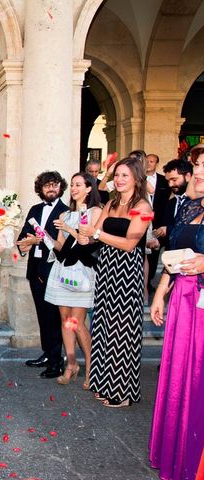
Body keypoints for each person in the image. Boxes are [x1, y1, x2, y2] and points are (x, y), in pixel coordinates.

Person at [148, 144, 204, 480]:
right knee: (179, 377)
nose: (198, 172)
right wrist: (160, 291)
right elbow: (177, 252)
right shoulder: (191, 208)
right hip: (182, 300)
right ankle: (177, 453)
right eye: (198, 166)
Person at [78, 157, 152, 407]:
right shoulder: (110, 203)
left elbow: (130, 243)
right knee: (104, 327)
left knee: (123, 331)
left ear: (136, 179)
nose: (119, 180)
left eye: (124, 176)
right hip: (107, 269)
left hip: (127, 272)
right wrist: (80, 234)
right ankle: (104, 383)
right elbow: (94, 236)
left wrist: (97, 234)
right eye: (117, 175)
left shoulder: (141, 206)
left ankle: (124, 392)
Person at [45, 172, 102, 387]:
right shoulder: (65, 215)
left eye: (79, 184)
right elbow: (61, 247)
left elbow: (86, 242)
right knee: (65, 320)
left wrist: (69, 229)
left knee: (77, 323)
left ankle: (91, 368)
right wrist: (47, 239)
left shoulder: (96, 211)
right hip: (63, 270)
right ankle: (71, 364)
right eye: (73, 185)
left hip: (82, 271)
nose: (74, 188)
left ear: (89, 188)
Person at [16, 171, 69, 378]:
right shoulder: (35, 209)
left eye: (55, 185)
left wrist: (42, 240)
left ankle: (56, 362)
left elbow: (64, 246)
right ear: (40, 189)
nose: (51, 188)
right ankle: (48, 354)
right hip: (35, 268)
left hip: (53, 268)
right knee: (42, 315)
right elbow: (22, 238)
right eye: (47, 185)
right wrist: (27, 243)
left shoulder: (66, 212)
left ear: (60, 188)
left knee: (53, 316)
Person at [145, 154, 170, 292]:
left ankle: (151, 283)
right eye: (147, 161)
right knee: (147, 255)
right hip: (143, 221)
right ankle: (145, 284)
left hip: (159, 222)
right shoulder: (138, 178)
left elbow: (167, 202)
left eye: (152, 161)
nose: (149, 163)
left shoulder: (164, 180)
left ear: (157, 164)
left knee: (155, 255)